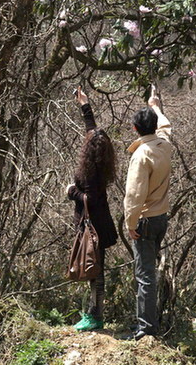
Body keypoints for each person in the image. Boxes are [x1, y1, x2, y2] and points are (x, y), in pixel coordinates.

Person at [67, 87, 118, 331]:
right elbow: (93, 132)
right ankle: (94, 314)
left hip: (92, 228)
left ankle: (95, 316)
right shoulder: (101, 160)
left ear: (89, 150)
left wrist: (71, 193)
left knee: (95, 272)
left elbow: (89, 198)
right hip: (102, 223)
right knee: (97, 270)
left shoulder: (88, 174)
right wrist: (85, 105)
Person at [124, 85, 172, 340]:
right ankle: (147, 323)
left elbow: (134, 195)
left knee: (145, 276)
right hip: (161, 217)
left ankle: (146, 328)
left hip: (144, 219)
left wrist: (130, 223)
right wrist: (155, 106)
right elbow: (166, 126)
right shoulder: (164, 144)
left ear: (135, 129)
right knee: (149, 272)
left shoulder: (141, 155)